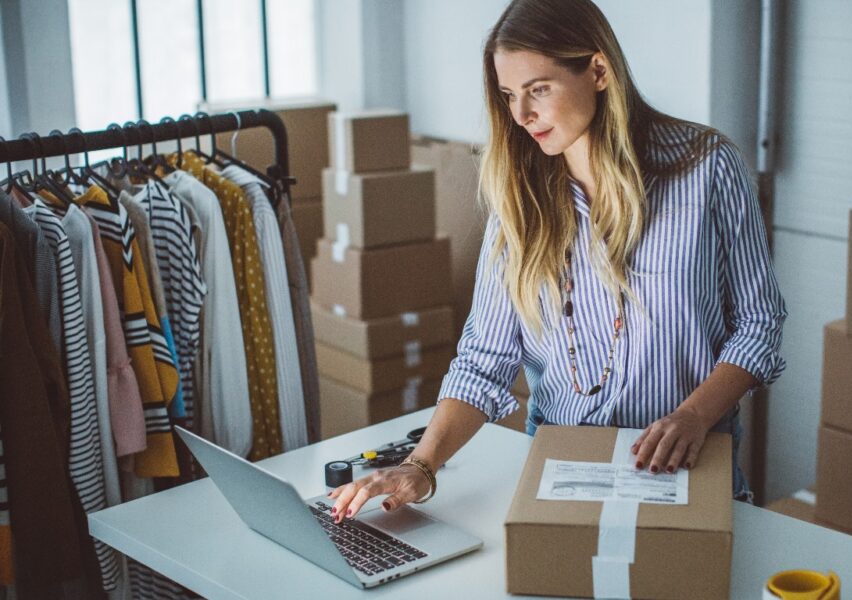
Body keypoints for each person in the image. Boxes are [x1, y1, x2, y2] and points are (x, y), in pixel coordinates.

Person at [328, 0, 786, 522]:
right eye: (508, 96)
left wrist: (693, 417)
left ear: (597, 71)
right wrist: (421, 466)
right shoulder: (519, 199)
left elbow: (759, 323)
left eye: (538, 89)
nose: (521, 115)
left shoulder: (707, 167)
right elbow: (485, 358)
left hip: (688, 467)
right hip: (563, 470)